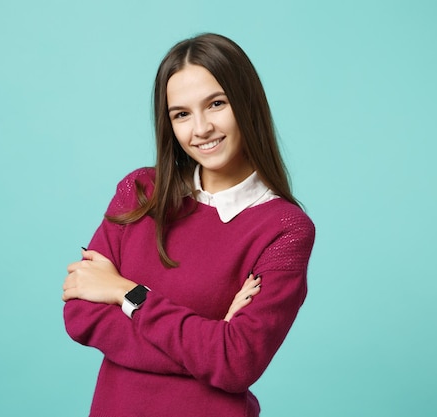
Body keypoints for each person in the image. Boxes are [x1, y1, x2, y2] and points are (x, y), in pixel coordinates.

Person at [62, 33, 315, 417]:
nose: (201, 129)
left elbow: (237, 363)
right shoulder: (140, 192)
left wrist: (127, 293)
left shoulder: (284, 228)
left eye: (216, 104)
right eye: (182, 114)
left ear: (246, 103)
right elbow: (80, 314)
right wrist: (211, 345)